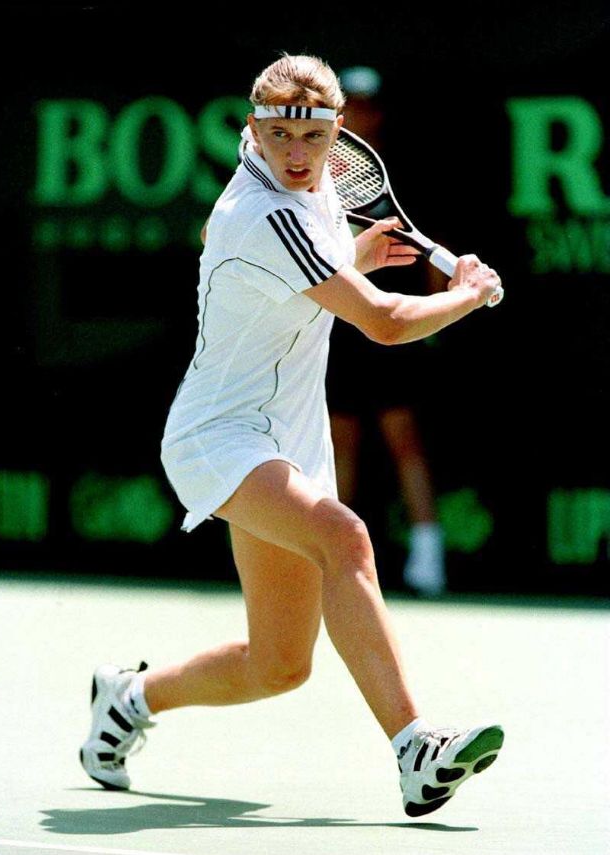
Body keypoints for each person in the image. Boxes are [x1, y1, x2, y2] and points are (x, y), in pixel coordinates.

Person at [80, 54, 504, 818]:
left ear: (337, 131)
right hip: (221, 434)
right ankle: (416, 748)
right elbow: (381, 320)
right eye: (278, 135)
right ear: (254, 132)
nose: (298, 154)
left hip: (289, 438)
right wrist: (467, 296)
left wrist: (350, 256)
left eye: (312, 136)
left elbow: (300, 276)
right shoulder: (264, 211)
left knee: (278, 666)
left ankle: (128, 698)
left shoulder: (306, 190)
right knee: (347, 539)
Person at [328, 65, 446, 597]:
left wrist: (442, 308)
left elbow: (430, 257)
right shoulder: (312, 176)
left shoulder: (403, 175)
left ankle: (428, 559)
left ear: (380, 113)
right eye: (349, 107)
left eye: (367, 106)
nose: (360, 116)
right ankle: (338, 563)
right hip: (339, 321)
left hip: (395, 319)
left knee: (404, 439)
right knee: (338, 442)